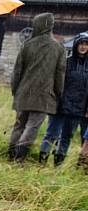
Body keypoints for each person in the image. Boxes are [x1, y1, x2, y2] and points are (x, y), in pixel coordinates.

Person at [9, 13, 66, 163]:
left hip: (23, 93)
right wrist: (59, 93)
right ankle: (19, 158)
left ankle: (11, 154)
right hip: (44, 96)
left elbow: (17, 71)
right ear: (51, 26)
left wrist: (15, 90)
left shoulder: (27, 45)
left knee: (19, 124)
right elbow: (60, 74)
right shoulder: (58, 48)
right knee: (32, 127)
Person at [38, 32, 88, 166]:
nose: (83, 47)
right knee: (51, 135)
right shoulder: (65, 62)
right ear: (76, 45)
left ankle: (58, 165)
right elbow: (56, 83)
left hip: (78, 108)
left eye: (86, 44)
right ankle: (41, 163)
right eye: (81, 44)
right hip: (60, 105)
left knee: (67, 137)